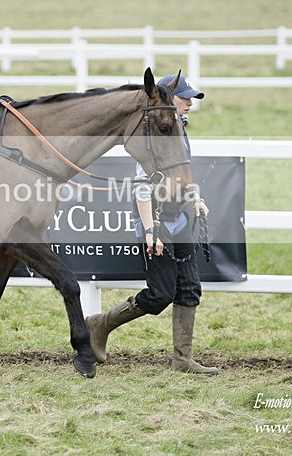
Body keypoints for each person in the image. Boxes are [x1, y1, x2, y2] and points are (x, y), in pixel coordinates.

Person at [85, 74, 218, 374]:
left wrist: (195, 197)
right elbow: (142, 186)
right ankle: (99, 324)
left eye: (190, 99)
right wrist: (149, 230)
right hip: (154, 221)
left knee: (189, 288)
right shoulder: (153, 134)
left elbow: (184, 173)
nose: (189, 104)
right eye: (185, 98)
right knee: (159, 294)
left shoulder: (178, 131)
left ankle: (182, 359)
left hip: (179, 218)